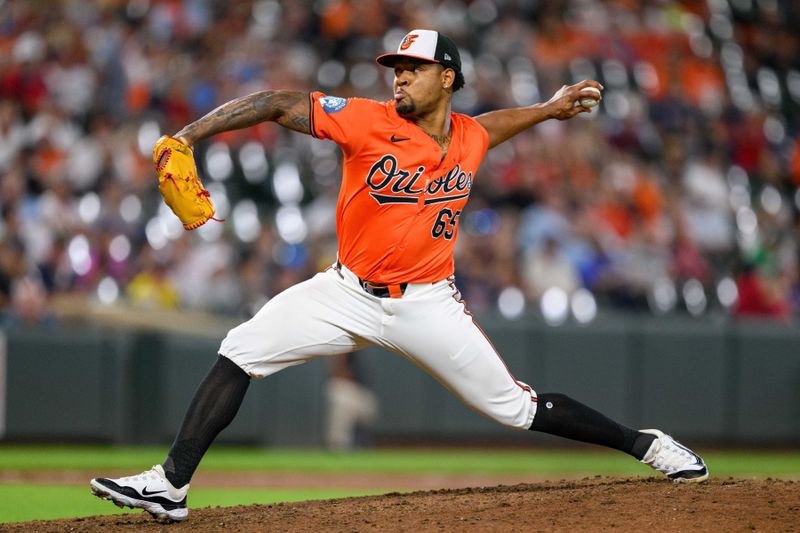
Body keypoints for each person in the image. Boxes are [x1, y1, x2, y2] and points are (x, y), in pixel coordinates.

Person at [90, 29, 708, 523]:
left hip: (427, 305)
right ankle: (170, 485)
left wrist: (548, 110)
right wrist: (189, 134)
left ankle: (646, 444)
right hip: (343, 291)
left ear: (447, 78)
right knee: (240, 349)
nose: (400, 76)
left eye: (412, 67)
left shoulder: (467, 135)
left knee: (517, 410)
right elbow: (279, 103)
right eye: (396, 68)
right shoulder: (366, 120)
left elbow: (494, 126)